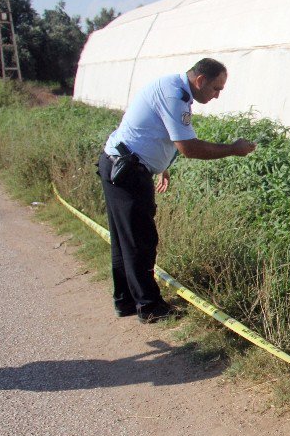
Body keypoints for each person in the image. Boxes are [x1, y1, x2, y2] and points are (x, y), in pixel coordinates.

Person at [98, 58, 256, 323]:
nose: (216, 95)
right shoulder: (175, 95)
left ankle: (125, 300)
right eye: (216, 89)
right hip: (127, 172)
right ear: (200, 80)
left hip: (121, 164)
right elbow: (189, 147)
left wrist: (162, 165)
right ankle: (149, 307)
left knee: (124, 238)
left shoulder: (173, 88)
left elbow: (156, 131)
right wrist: (232, 149)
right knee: (141, 241)